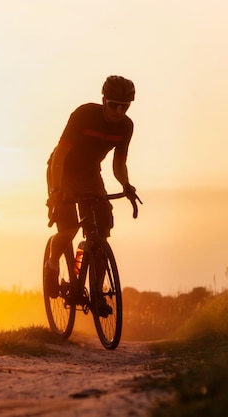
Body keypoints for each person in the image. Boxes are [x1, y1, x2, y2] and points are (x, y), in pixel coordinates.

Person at [45, 75, 138, 313]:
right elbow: (60, 155)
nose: (119, 111)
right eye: (114, 105)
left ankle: (97, 294)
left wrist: (126, 184)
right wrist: (56, 190)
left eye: (124, 106)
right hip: (62, 171)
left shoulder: (126, 127)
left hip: (90, 175)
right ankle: (53, 265)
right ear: (104, 100)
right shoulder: (83, 115)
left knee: (101, 233)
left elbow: (119, 164)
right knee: (69, 229)